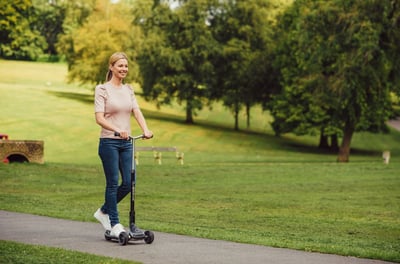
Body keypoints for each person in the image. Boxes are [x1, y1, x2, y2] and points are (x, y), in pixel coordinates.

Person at [93, 51, 153, 238]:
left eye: (126, 66)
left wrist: (145, 129)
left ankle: (103, 211)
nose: (124, 69)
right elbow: (99, 118)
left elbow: (136, 111)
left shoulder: (129, 90)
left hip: (127, 144)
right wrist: (117, 130)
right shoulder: (102, 89)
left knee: (129, 183)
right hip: (109, 142)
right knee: (112, 184)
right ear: (111, 67)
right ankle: (114, 222)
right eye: (120, 65)